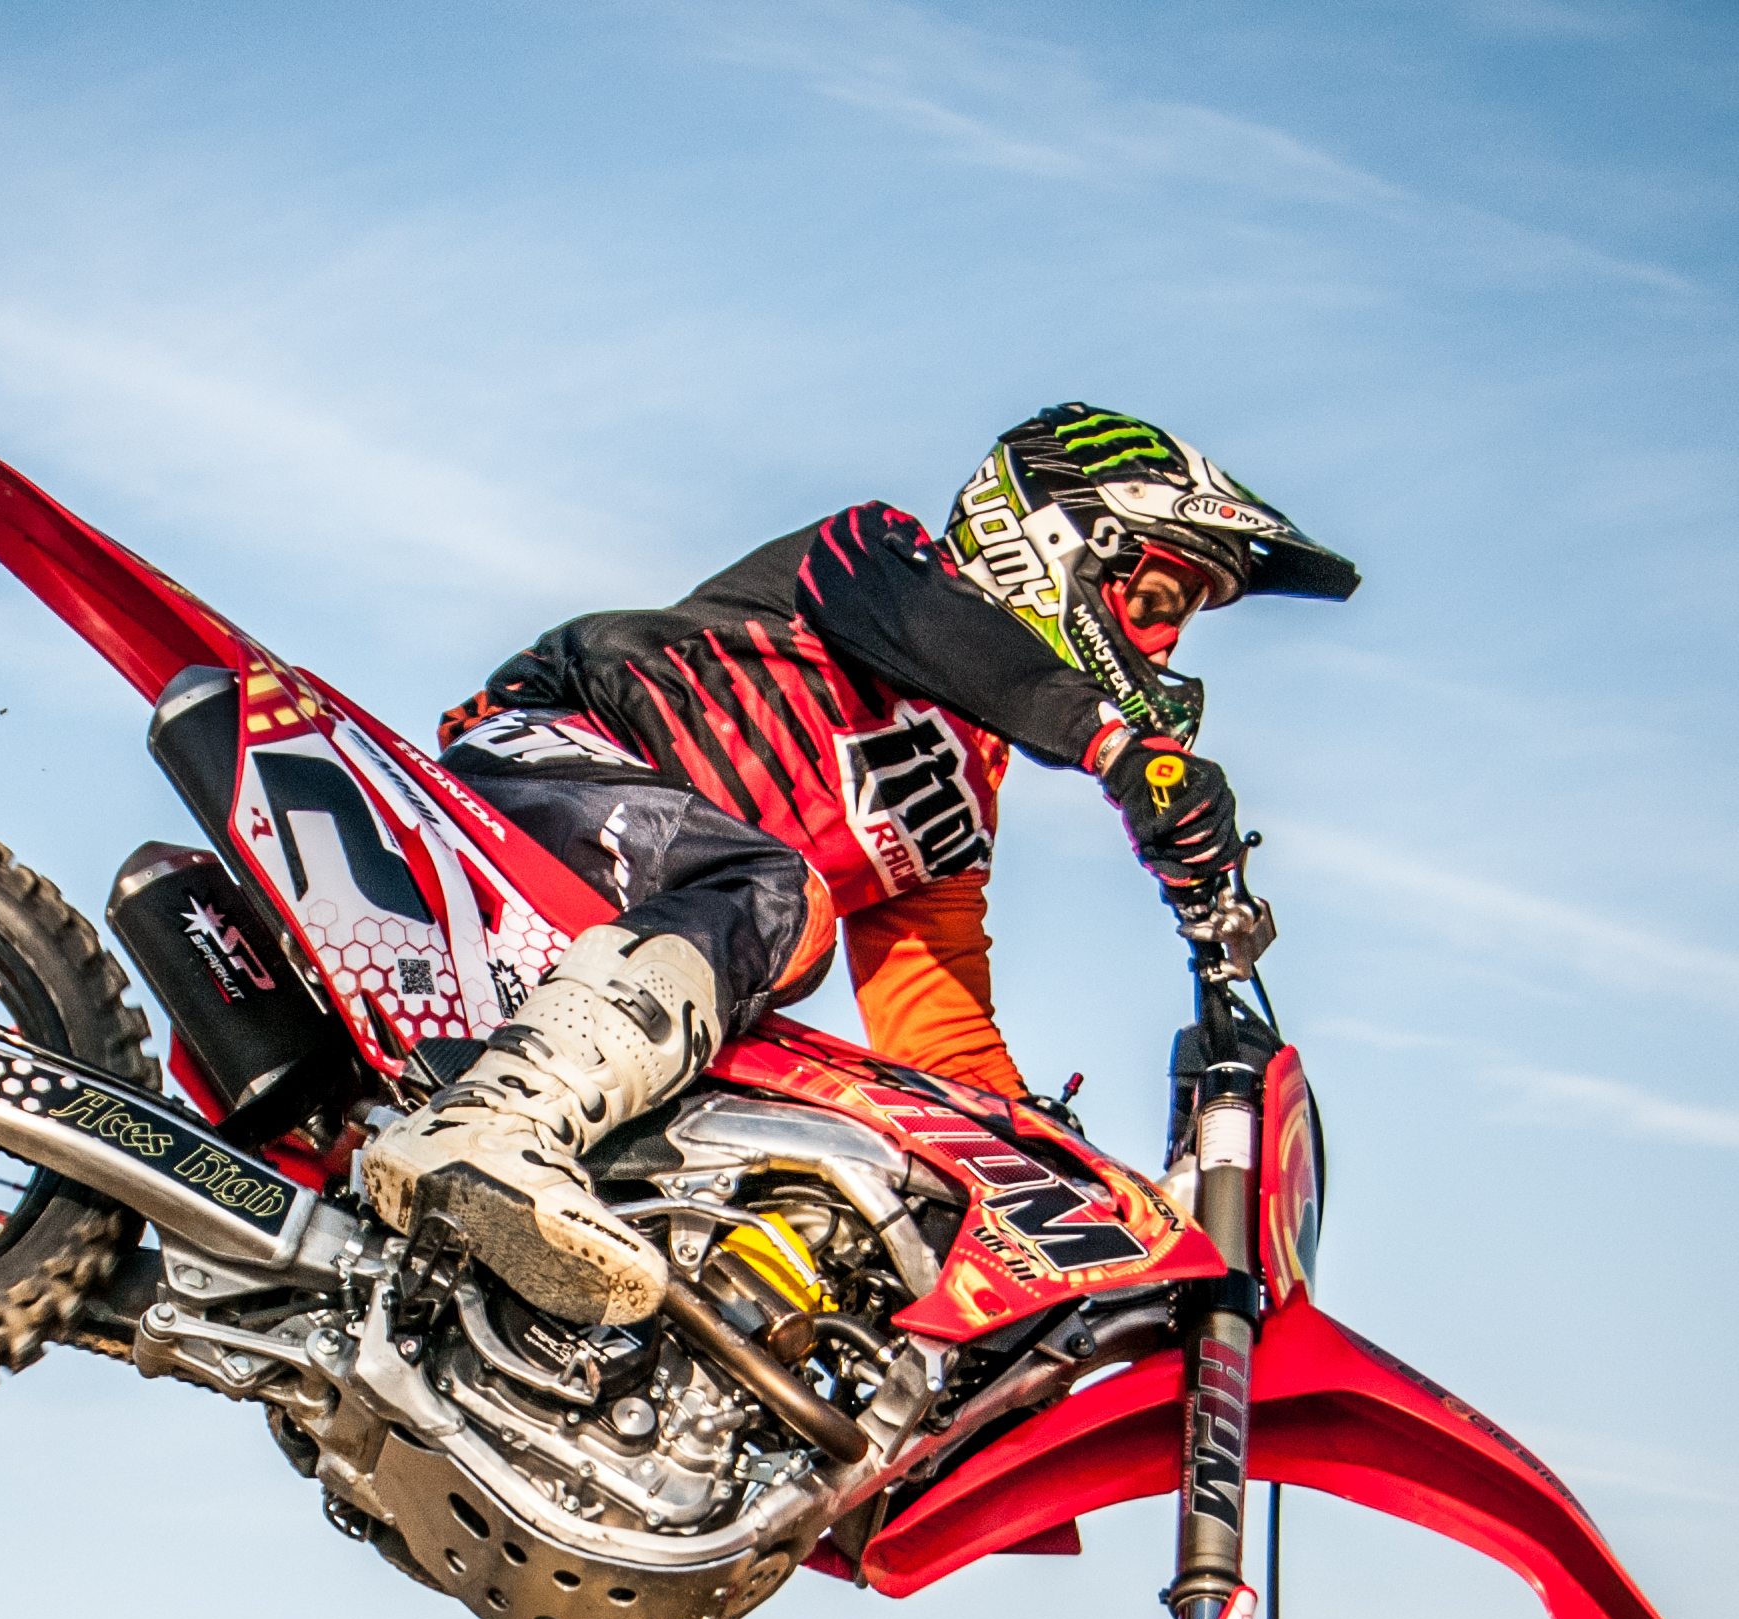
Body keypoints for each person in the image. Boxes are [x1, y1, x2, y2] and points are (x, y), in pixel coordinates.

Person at [365, 402, 1358, 1327]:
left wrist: (1066, 1188)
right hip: (541, 766)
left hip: (628, 947)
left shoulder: (957, 799)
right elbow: (940, 631)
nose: (1165, 638)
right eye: (1155, 596)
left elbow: (939, 1036)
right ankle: (486, 1128)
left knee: (852, 1134)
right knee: (780, 898)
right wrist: (1116, 747)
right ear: (1059, 542)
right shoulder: (874, 555)